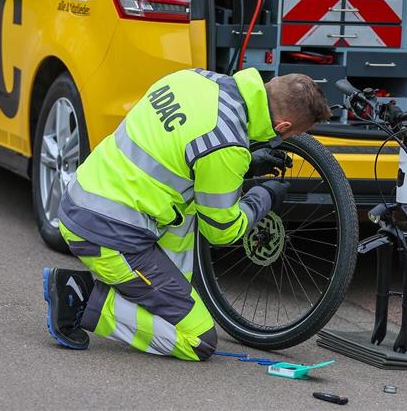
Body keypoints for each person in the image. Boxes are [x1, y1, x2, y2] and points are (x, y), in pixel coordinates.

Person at [42, 67, 332, 361]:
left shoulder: (195, 78)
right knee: (199, 341)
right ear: (282, 127)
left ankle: (161, 298)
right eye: (294, 134)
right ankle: (82, 296)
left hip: (87, 195)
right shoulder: (226, 146)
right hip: (107, 233)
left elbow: (182, 147)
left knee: (192, 207)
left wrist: (248, 163)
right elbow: (222, 231)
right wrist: (263, 197)